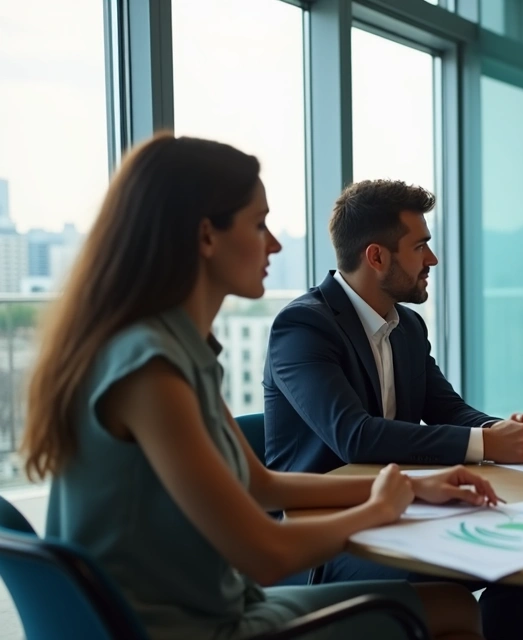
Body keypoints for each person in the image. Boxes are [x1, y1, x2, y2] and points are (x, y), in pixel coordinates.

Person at [21, 134, 493, 640]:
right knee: (453, 612)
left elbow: (259, 484)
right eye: (259, 224)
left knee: (451, 604)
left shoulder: (176, 350)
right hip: (184, 628)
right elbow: (266, 555)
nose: (275, 244)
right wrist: (379, 509)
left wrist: (415, 487)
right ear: (207, 236)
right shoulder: (151, 370)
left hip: (214, 606)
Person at [263, 179, 523, 640]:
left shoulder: (407, 326)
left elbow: (447, 409)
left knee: (522, 561)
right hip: (325, 539)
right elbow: (354, 436)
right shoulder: (303, 326)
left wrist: (503, 430)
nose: (432, 259)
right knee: (462, 580)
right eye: (420, 246)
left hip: (401, 514)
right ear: (376, 257)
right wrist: (487, 443)